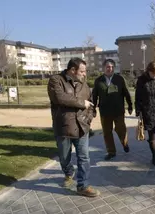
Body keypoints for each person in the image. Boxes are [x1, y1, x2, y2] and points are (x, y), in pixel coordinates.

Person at [47, 57, 100, 197]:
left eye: (85, 71)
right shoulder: (56, 80)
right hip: (63, 127)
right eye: (82, 71)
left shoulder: (85, 85)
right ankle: (69, 172)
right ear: (72, 70)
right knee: (64, 157)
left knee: (84, 157)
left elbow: (92, 106)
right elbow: (60, 98)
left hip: (82, 127)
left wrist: (88, 120)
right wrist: (82, 103)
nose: (84, 74)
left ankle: (83, 185)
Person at [92, 59, 132, 161]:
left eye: (112, 67)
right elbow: (94, 96)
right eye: (108, 67)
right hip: (105, 111)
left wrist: (130, 105)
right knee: (107, 132)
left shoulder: (119, 79)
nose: (110, 69)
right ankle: (111, 151)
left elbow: (126, 93)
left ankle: (125, 143)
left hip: (118, 110)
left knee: (120, 129)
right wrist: (93, 109)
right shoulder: (98, 81)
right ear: (104, 68)